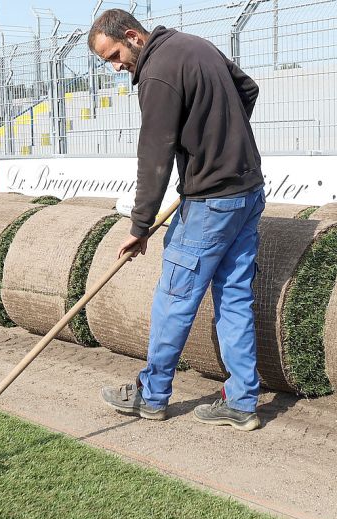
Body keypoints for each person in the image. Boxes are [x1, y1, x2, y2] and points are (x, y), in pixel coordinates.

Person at [89, 9, 266, 430]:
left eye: (114, 55)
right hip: (248, 192)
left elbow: (155, 156)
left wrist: (139, 227)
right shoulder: (196, 45)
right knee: (234, 296)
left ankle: (151, 396)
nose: (117, 67)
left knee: (174, 299)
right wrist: (222, 143)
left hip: (209, 204)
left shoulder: (157, 74)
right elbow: (249, 89)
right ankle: (242, 403)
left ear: (132, 36)